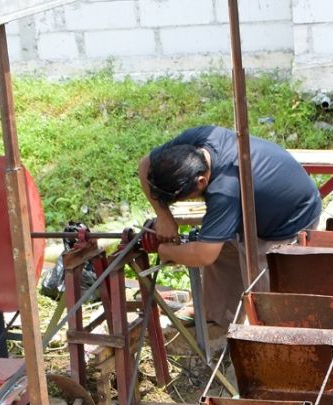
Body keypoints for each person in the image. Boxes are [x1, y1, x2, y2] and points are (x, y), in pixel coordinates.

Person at [138, 125, 322, 326]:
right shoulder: (199, 139)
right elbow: (145, 165)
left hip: (287, 221)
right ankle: (216, 318)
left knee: (265, 301)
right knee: (223, 250)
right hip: (252, 204)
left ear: (200, 182)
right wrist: (164, 215)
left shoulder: (224, 191)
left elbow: (204, 255)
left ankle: (274, 336)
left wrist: (166, 251)